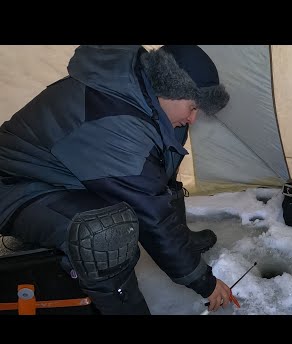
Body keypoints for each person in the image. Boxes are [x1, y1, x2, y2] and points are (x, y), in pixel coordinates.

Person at [0, 45, 233, 315]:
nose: (193, 118)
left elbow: (156, 182)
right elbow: (150, 213)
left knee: (161, 159)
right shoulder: (115, 119)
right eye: (192, 107)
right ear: (171, 88)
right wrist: (204, 282)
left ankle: (183, 245)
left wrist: (182, 247)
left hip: (61, 179)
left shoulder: (144, 97)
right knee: (104, 232)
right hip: (16, 188)